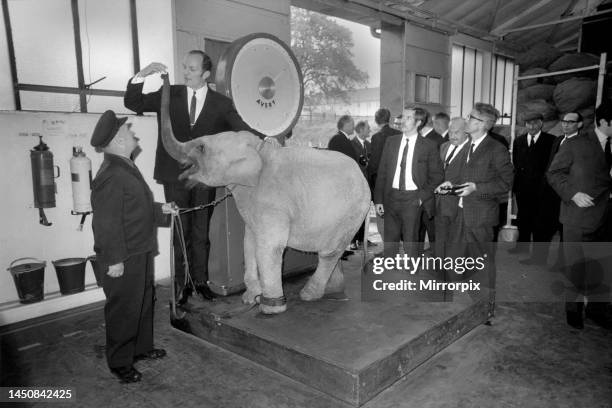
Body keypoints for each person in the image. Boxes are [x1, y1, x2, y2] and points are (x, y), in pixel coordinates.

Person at [124, 50, 264, 304]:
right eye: (185, 67)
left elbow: (241, 127)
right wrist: (141, 76)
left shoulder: (221, 104)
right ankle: (181, 286)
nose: (185, 72)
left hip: (204, 177)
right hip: (173, 175)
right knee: (181, 232)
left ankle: (200, 282)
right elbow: (133, 103)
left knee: (201, 232)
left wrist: (265, 141)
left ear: (206, 74)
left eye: (191, 69)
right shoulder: (170, 94)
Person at [90, 110, 175, 383]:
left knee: (142, 302)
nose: (132, 133)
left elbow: (134, 207)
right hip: (123, 255)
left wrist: (163, 209)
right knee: (124, 308)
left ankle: (141, 348)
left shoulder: (124, 166)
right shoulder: (112, 174)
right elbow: (106, 222)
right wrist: (114, 259)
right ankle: (119, 362)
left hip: (138, 250)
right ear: (117, 141)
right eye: (126, 131)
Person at [547, 104, 612, 330]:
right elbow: (553, 173)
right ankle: (573, 310)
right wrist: (572, 193)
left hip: (607, 217)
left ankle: (598, 310)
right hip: (579, 215)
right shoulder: (576, 144)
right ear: (605, 122)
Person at [443, 103, 514, 310]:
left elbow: (506, 183)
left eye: (471, 117)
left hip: (481, 217)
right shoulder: (467, 145)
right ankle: (473, 297)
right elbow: (460, 174)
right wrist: (450, 183)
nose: (467, 120)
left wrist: (476, 188)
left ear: (483, 124)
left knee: (482, 263)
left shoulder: (496, 149)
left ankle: (485, 308)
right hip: (461, 213)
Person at [374, 106, 444, 258]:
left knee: (411, 242)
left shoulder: (429, 146)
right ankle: (390, 275)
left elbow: (437, 175)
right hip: (390, 198)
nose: (402, 121)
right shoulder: (391, 142)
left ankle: (412, 277)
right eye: (402, 117)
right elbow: (382, 172)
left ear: (419, 122)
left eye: (408, 118)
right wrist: (378, 199)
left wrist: (421, 197)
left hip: (412, 199)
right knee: (390, 242)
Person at [511, 112, 556, 263]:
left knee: (540, 223)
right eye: (528, 123)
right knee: (523, 218)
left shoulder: (551, 141)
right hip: (523, 189)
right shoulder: (519, 141)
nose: (531, 126)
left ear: (541, 124)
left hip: (542, 190)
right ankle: (521, 247)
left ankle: (539, 256)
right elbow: (516, 164)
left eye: (535, 123)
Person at [434, 117, 470, 260]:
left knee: (456, 245)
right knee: (440, 240)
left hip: (459, 206)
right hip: (440, 204)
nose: (453, 136)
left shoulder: (471, 150)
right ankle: (440, 272)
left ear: (466, 132)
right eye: (450, 132)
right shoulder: (444, 146)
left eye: (457, 132)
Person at [328, 115, 360, 257]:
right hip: (340, 185)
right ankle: (337, 249)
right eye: (352, 124)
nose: (354, 127)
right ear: (346, 125)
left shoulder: (342, 139)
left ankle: (341, 248)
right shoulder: (338, 139)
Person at [368, 108, 402, 239]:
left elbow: (374, 164)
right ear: (389, 118)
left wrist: (372, 184)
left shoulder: (377, 137)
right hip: (399, 183)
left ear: (376, 121)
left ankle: (388, 251)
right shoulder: (399, 135)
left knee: (382, 217)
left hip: (382, 184)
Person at [351, 120, 372, 248]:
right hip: (356, 184)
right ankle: (352, 240)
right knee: (354, 213)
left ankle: (363, 239)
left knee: (365, 212)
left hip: (367, 184)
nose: (370, 130)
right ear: (360, 131)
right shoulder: (351, 145)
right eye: (367, 129)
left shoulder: (369, 145)